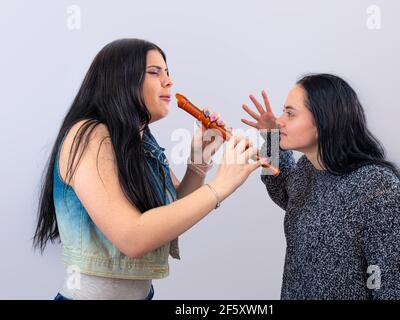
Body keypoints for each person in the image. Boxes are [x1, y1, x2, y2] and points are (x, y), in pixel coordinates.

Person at [33, 38, 265, 300]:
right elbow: (132, 238)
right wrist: (221, 185)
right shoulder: (88, 135)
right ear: (120, 79)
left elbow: (171, 214)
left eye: (167, 73)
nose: (168, 82)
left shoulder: (141, 138)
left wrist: (199, 161)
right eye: (155, 72)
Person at [241, 73, 400, 299]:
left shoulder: (376, 189)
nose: (280, 120)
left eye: (290, 114)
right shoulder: (307, 169)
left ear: (324, 120)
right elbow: (282, 188)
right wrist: (270, 137)